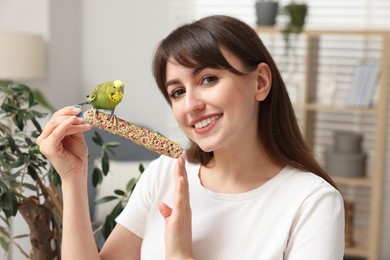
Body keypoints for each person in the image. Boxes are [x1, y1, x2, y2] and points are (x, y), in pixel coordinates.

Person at [37, 15, 345, 260]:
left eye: (208, 79)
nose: (191, 105)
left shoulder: (312, 202)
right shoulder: (164, 173)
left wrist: (182, 255)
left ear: (260, 82)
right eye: (177, 92)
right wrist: (73, 179)